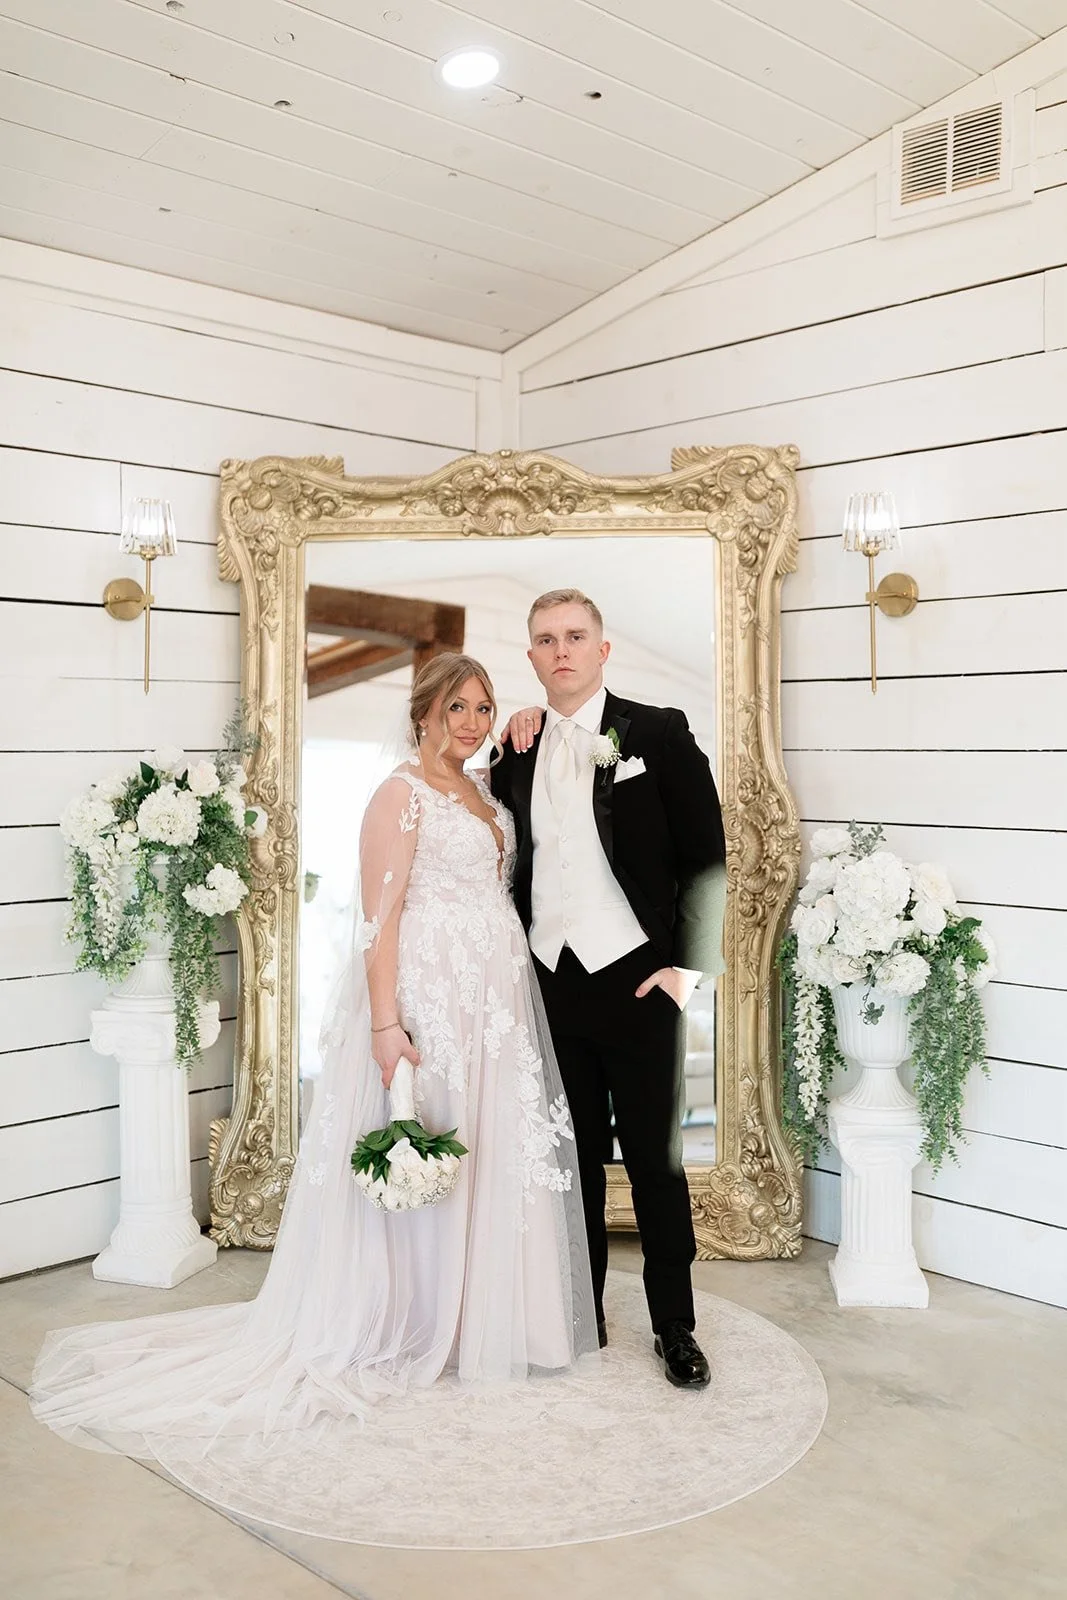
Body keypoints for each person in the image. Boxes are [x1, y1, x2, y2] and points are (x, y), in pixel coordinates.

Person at [30, 654, 597, 1496]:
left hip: (498, 998)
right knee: (433, 1142)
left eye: (483, 707)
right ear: (423, 713)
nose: (473, 722)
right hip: (431, 995)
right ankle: (418, 1318)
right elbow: (379, 922)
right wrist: (386, 1023)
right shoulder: (397, 795)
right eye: (457, 707)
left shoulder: (488, 794)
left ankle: (491, 1316)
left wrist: (534, 725)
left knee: (490, 1145)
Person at [491, 590, 726, 1390]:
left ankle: (674, 1327)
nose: (560, 649)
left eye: (574, 636)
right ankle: (577, 1314)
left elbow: (707, 859)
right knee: (572, 1162)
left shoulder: (656, 732)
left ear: (602, 649)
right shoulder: (514, 752)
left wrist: (687, 970)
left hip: (639, 981)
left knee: (656, 1165)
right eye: (545, 639)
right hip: (550, 983)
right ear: (531, 655)